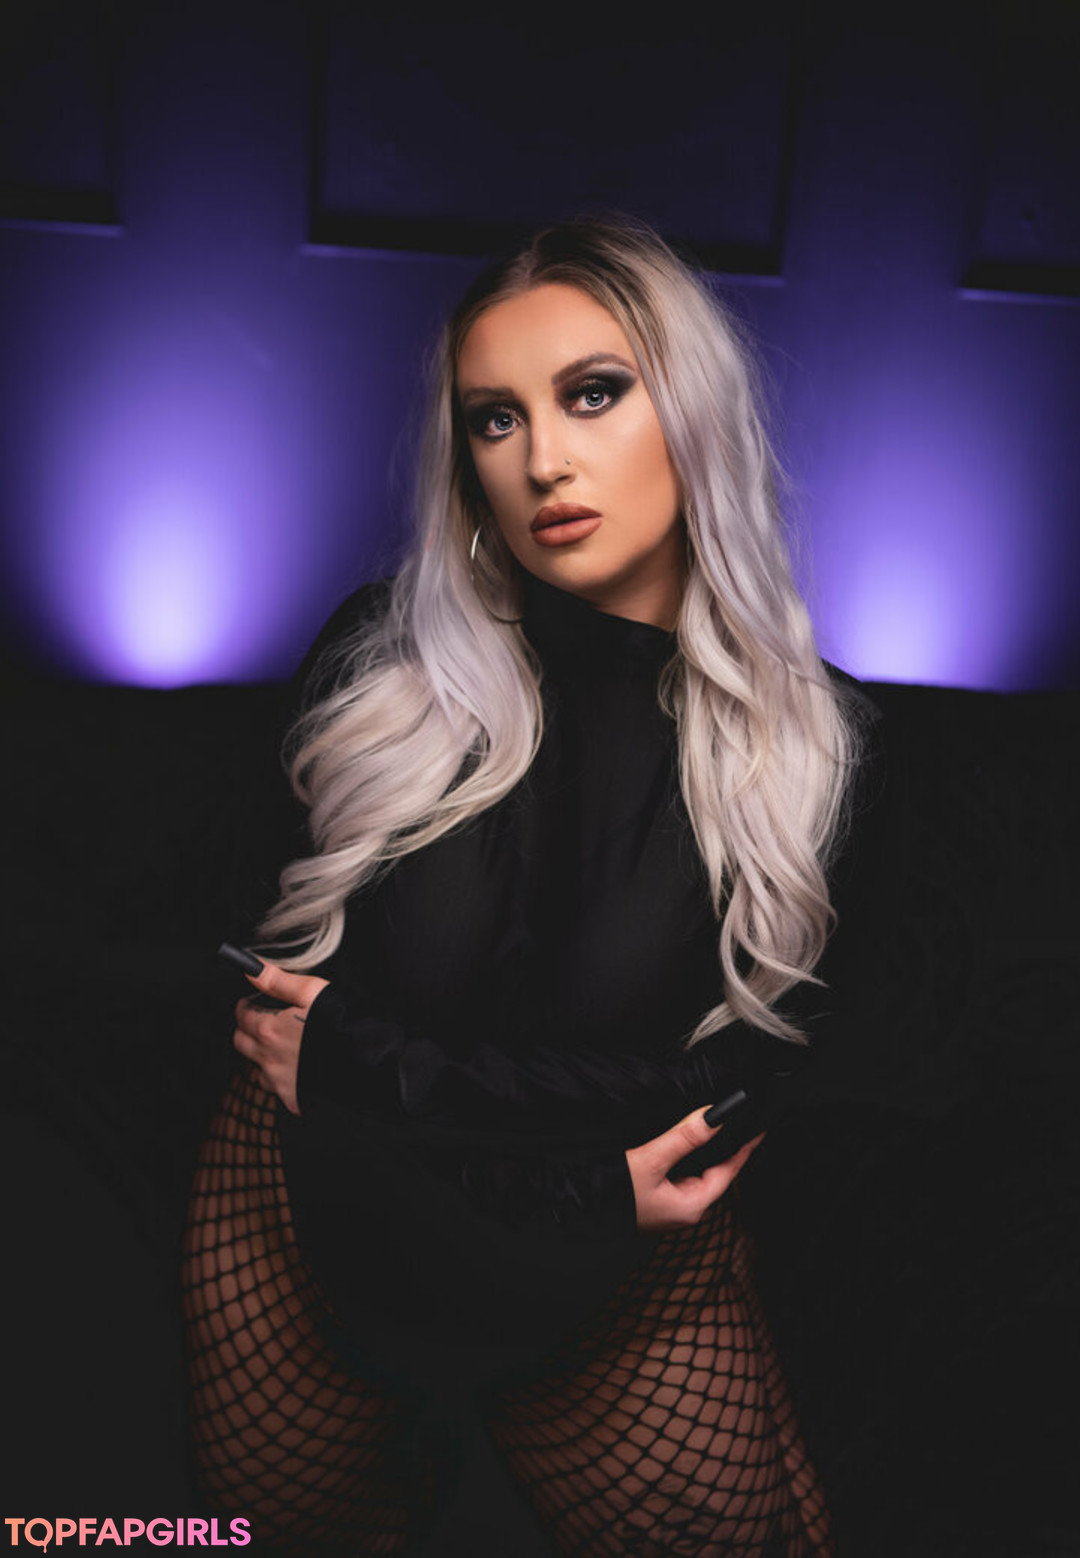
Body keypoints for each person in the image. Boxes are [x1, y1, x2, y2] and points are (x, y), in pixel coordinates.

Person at [181, 215, 865, 1557]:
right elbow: (265, 1016)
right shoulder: (379, 670)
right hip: (320, 1232)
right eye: (495, 418)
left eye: (592, 394)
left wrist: (369, 1065)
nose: (543, 458)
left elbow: (705, 1105)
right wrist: (541, 1141)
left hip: (603, 1281)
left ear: (692, 411)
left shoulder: (814, 751)